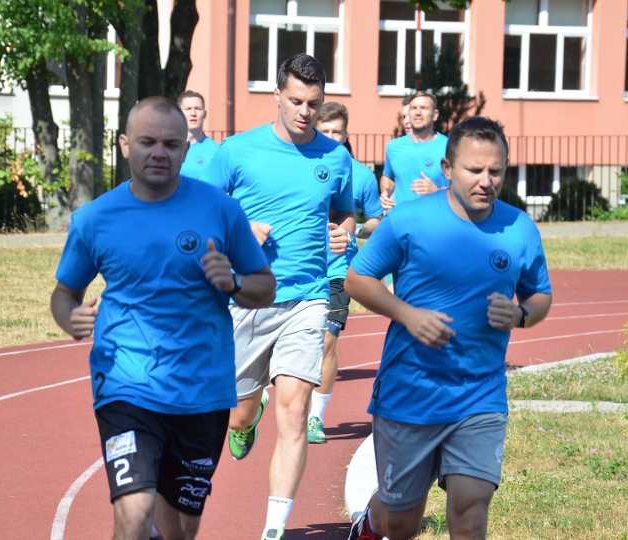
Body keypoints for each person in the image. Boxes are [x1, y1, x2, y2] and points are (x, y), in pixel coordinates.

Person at [49, 96, 276, 540]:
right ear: (124, 145)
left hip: (202, 390)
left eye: (171, 144)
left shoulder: (220, 210)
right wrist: (70, 318)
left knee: (181, 531)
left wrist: (230, 283)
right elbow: (64, 294)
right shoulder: (95, 219)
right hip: (125, 385)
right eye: (147, 141)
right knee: (134, 515)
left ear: (186, 150)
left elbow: (264, 287)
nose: (159, 152)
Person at [344, 116, 553, 540]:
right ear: (447, 168)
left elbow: (540, 296)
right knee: (401, 522)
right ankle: (370, 521)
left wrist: (521, 315)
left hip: (480, 394)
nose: (486, 180)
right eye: (474, 170)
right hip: (411, 392)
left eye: (495, 171)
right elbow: (356, 279)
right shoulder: (408, 220)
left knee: (471, 514)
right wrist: (408, 314)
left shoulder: (519, 229)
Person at [203, 53, 356, 540]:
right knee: (239, 410)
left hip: (308, 299)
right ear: (277, 96)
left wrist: (344, 232)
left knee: (294, 409)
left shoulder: (335, 158)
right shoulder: (238, 151)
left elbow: (348, 212)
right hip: (245, 300)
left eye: (313, 103)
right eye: (295, 101)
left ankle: (274, 530)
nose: (305, 112)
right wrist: (238, 230)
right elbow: (198, 213)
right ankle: (245, 418)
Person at [307, 102, 383, 445]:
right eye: (325, 131)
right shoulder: (302, 165)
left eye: (337, 131)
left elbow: (376, 220)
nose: (331, 137)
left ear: (346, 134)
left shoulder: (362, 175)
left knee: (326, 342)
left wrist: (355, 232)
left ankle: (315, 418)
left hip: (339, 271)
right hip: (300, 270)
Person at [379, 91, 449, 214]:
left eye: (424, 108)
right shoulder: (394, 147)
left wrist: (436, 190)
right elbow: (388, 177)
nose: (417, 112)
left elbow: (462, 188)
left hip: (436, 221)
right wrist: (386, 192)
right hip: (401, 222)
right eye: (413, 108)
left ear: (435, 115)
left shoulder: (448, 147)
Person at [177, 90, 220, 181]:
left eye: (198, 109)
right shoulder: (169, 148)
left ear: (205, 114)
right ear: (179, 114)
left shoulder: (216, 151)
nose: (193, 113)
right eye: (188, 109)